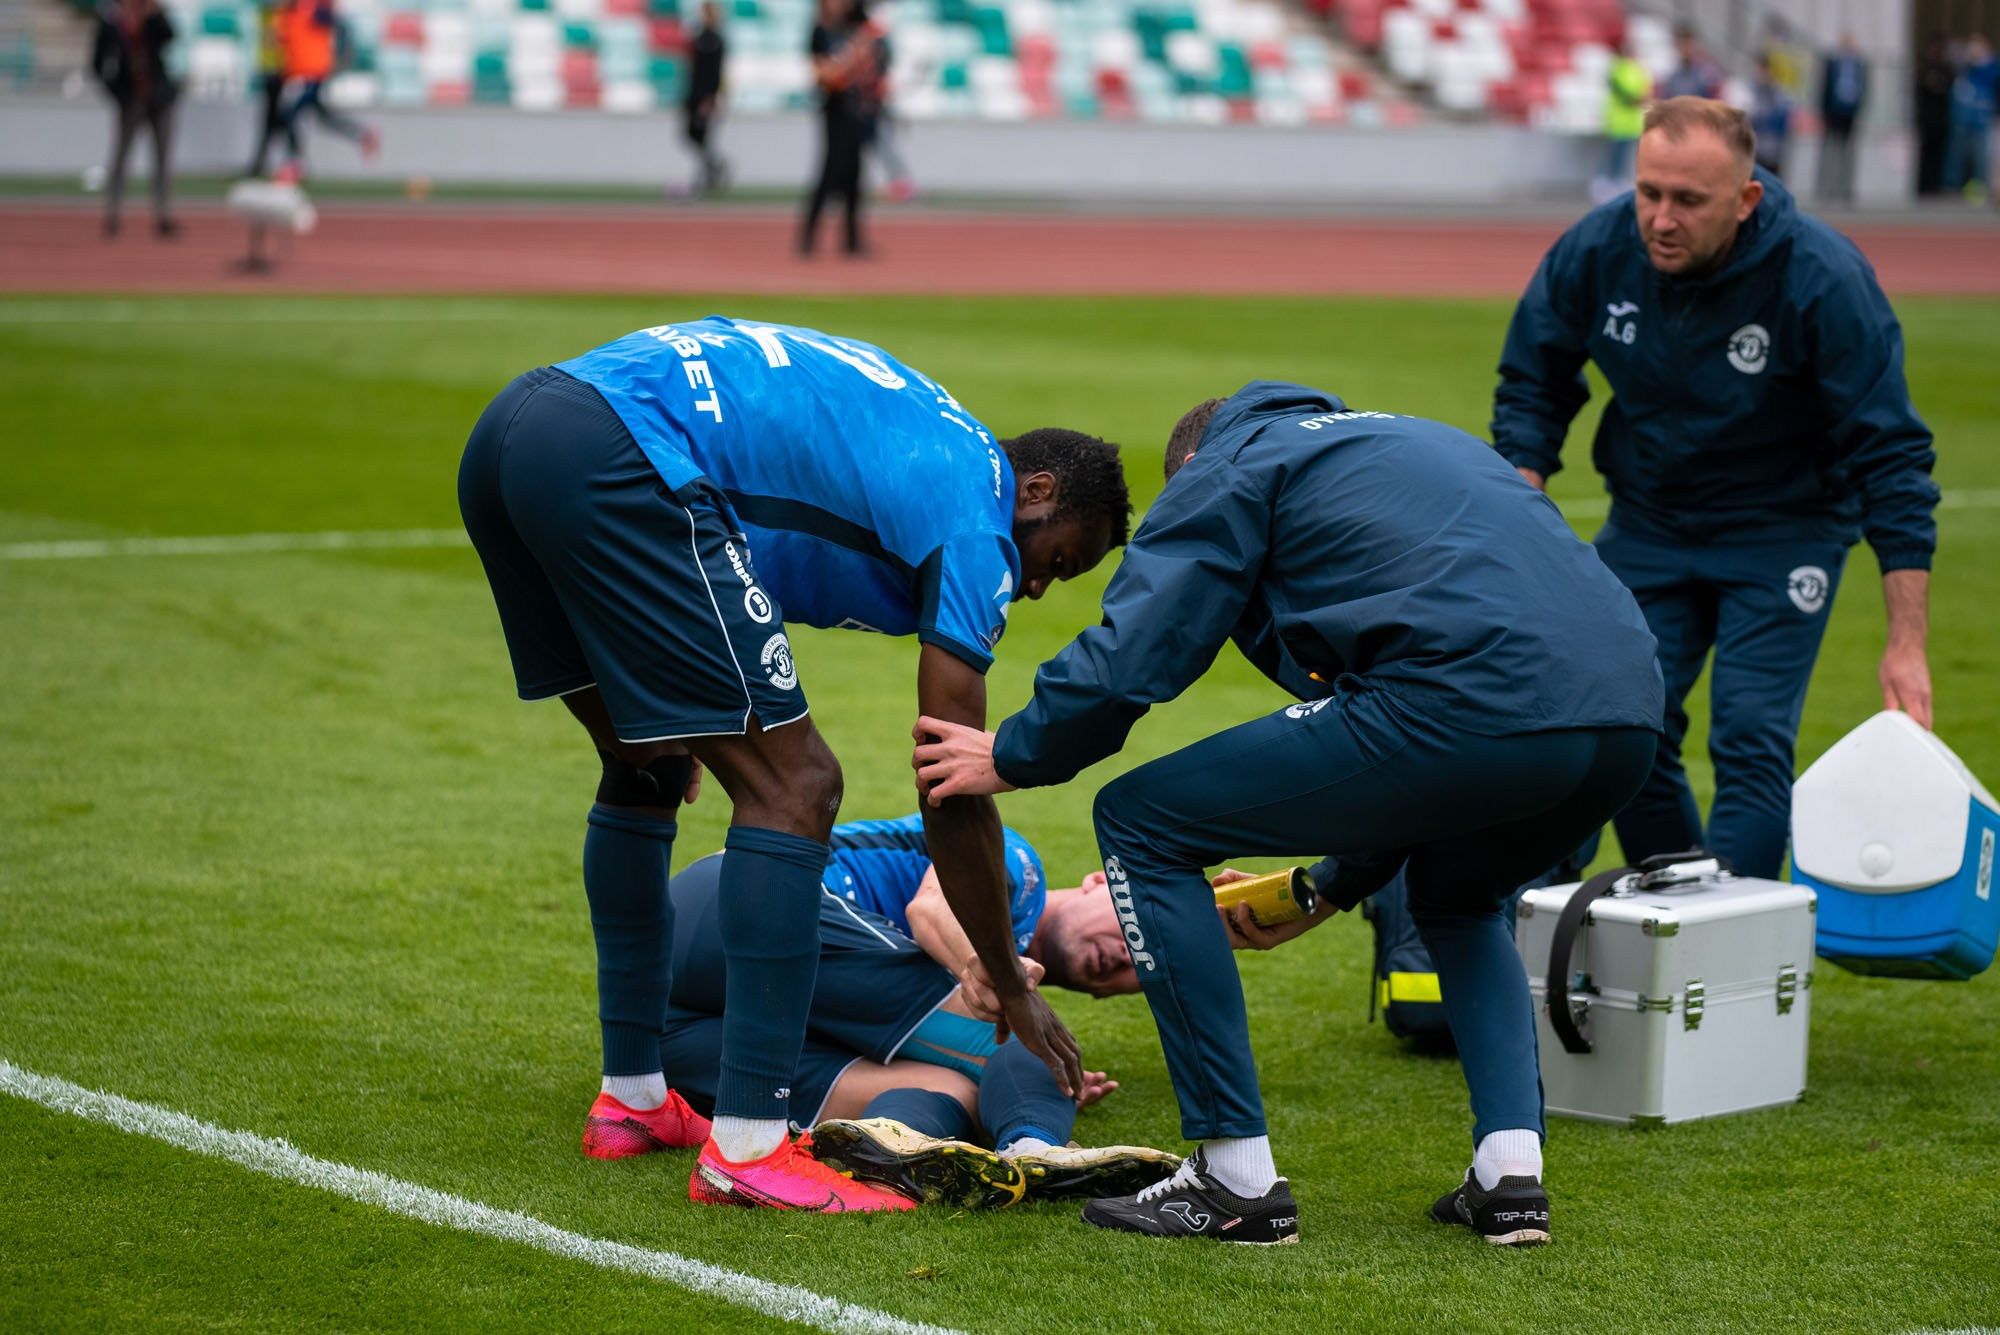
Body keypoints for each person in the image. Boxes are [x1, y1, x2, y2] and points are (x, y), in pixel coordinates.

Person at [914, 382, 1666, 1246]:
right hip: (1624, 720)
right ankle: (1510, 1177)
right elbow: (1409, 754)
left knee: (1141, 819)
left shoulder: (1228, 463)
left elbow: (1140, 649)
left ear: (1187, 464)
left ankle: (1233, 1178)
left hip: (1472, 700)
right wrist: (1328, 886)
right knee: (1459, 900)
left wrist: (1014, 752)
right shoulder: (1413, 437)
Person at [457, 316, 1130, 1214]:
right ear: (1036, 487)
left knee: (646, 762)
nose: (1037, 585)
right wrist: (1011, 983)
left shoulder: (932, 433)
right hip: (626, 448)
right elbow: (949, 777)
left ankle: (637, 1100)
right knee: (798, 786)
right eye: (1057, 557)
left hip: (516, 433)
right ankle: (748, 1148)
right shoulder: (980, 515)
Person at [1491, 97, 1939, 884]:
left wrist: (1906, 643)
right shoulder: (1597, 249)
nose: (1661, 219)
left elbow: (1892, 454)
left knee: (1750, 730)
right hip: (1650, 523)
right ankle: (1685, 920)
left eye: (1689, 201)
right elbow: (1533, 382)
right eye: (1648, 192)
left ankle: (1743, 963)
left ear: (1746, 199)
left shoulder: (1823, 278)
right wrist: (1523, 526)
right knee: (1621, 723)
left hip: (1785, 531)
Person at [635, 815, 1179, 1208]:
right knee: (1028, 1043)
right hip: (753, 899)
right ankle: (1036, 1146)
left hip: (677, 1031)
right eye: (1136, 933)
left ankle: (889, 1152)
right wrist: (989, 977)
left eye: (1139, 974)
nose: (1127, 959)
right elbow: (931, 907)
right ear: (1100, 883)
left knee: (957, 1093)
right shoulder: (1017, 866)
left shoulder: (953, 996)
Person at [799, 0, 881, 256]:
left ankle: (852, 240)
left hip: (856, 109)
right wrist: (848, 59)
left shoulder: (852, 26)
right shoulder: (820, 32)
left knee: (855, 175)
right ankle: (808, 237)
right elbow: (827, 76)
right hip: (835, 111)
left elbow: (867, 61)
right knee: (830, 172)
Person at [91, 0, 179, 239]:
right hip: (130, 100)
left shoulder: (152, 17)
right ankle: (113, 213)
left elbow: (171, 36)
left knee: (162, 158)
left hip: (159, 98)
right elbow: (97, 64)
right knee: (121, 156)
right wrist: (118, 95)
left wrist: (157, 12)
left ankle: (163, 214)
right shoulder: (110, 22)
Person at [272, 0, 379, 182]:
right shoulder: (285, 15)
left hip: (312, 74)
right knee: (323, 117)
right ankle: (363, 135)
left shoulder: (313, 9)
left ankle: (294, 163)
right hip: (296, 75)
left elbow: (341, 26)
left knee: (289, 115)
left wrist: (343, 55)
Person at [1592, 34, 1651, 203]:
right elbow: (1624, 92)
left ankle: (1618, 183)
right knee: (1613, 155)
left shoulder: (1636, 69)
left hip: (1632, 122)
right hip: (1618, 122)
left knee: (1626, 156)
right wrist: (1637, 99)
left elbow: (1646, 89)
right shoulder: (1615, 69)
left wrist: (1641, 98)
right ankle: (1604, 182)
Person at [681, 0, 728, 196]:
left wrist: (711, 98)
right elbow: (693, 69)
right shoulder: (699, 38)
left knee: (704, 136)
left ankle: (704, 178)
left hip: (705, 97)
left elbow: (715, 73)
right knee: (692, 135)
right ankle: (714, 165)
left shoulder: (717, 40)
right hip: (694, 94)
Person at [1817, 32, 1869, 205]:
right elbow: (1824, 88)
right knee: (1830, 150)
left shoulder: (1859, 65)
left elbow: (1864, 88)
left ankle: (1846, 187)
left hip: (1850, 113)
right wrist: (1823, 111)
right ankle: (1827, 187)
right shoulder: (1833, 63)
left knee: (1848, 152)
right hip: (1833, 112)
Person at [1946, 35, 1998, 202]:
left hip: (1981, 121)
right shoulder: (1965, 68)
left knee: (1980, 158)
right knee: (1957, 155)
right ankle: (1952, 188)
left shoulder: (1991, 68)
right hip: (1962, 119)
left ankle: (1979, 191)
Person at [243, 0, 287, 178]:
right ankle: (268, 160)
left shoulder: (279, 16)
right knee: (272, 120)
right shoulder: (268, 15)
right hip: (272, 72)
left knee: (280, 120)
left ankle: (279, 161)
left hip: (282, 73)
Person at [1915, 33, 1955, 197]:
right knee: (1925, 155)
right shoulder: (1925, 69)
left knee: (1940, 154)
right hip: (1926, 119)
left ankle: (1937, 186)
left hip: (1943, 120)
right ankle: (1923, 186)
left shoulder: (1948, 69)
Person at [1749, 54, 1793, 178]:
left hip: (1772, 146)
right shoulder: (1751, 89)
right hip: (1755, 145)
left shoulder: (1776, 92)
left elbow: (1781, 112)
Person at [1660, 24, 1721, 101]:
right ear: (1677, 46)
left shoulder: (1707, 76)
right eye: (1682, 44)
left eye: (1688, 44)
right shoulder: (1672, 78)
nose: (1685, 49)